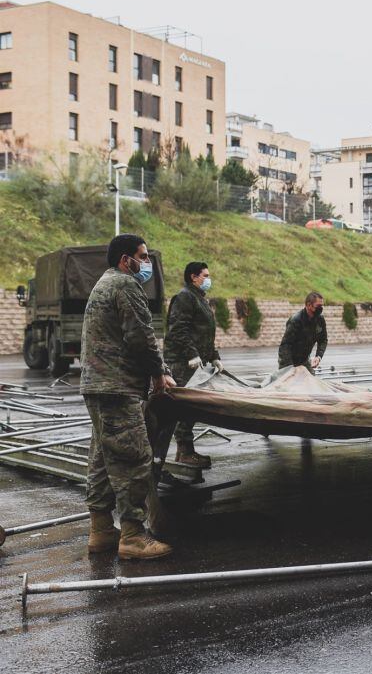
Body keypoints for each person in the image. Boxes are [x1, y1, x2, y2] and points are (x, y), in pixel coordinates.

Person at [81, 233, 175, 559]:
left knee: (103, 459)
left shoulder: (103, 284)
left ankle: (102, 530)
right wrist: (159, 374)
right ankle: (133, 537)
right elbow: (141, 336)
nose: (146, 263)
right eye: (143, 257)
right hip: (117, 387)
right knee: (134, 458)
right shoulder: (125, 285)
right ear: (126, 259)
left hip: (97, 386)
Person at [163, 261, 221, 468]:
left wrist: (214, 356)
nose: (208, 279)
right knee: (186, 407)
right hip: (182, 362)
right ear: (193, 277)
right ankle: (184, 452)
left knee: (191, 407)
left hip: (196, 361)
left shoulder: (200, 299)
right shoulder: (185, 297)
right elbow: (178, 329)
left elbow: (206, 332)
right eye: (205, 275)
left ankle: (185, 451)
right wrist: (191, 354)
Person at [278, 292, 328, 370]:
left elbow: (323, 340)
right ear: (308, 305)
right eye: (318, 306)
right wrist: (290, 368)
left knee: (311, 380)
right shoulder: (295, 320)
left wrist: (318, 357)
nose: (320, 308)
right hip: (288, 361)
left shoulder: (320, 319)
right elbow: (285, 346)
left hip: (304, 360)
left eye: (321, 306)